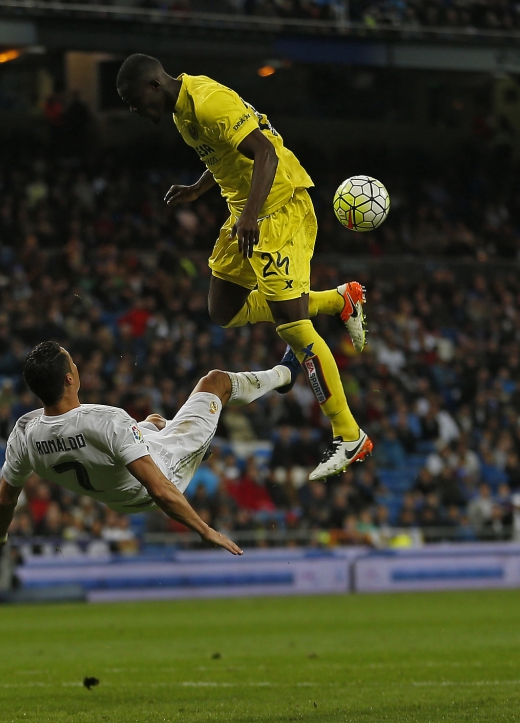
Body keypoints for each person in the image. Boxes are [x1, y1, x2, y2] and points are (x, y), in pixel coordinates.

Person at [116, 54, 371, 480]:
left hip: (278, 208)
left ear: (154, 85)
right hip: (246, 213)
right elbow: (223, 154)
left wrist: (250, 215)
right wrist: (200, 189)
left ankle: (349, 435)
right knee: (224, 309)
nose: (132, 109)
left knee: (294, 327)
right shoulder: (183, 112)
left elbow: (266, 152)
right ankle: (340, 300)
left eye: (132, 99)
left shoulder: (209, 101)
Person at [0, 341, 302, 554]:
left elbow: (5, 500)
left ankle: (161, 429)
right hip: (164, 472)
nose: (75, 366)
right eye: (72, 362)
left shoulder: (23, 432)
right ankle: (285, 373)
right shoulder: (106, 420)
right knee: (216, 381)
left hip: (119, 494)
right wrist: (204, 530)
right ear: (69, 379)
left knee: (153, 421)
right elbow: (159, 487)